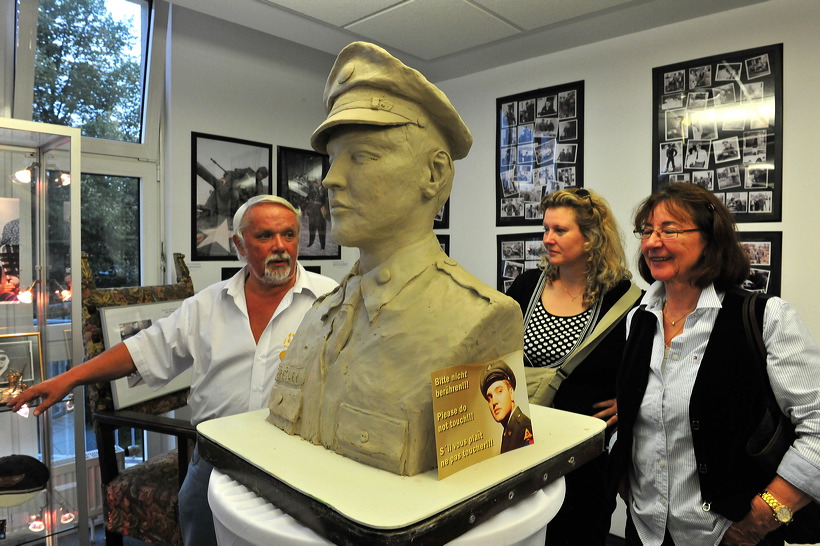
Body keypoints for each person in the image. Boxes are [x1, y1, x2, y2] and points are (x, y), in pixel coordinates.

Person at [8, 194, 338, 546]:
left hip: (293, 462)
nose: (280, 247)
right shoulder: (207, 305)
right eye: (264, 236)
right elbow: (141, 350)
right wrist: (68, 378)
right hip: (215, 459)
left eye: (288, 235)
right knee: (199, 527)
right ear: (238, 244)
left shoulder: (329, 300)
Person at [267, 41, 523, 477]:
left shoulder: (480, 320)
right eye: (332, 159)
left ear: (433, 174)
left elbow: (481, 481)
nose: (330, 179)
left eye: (362, 157)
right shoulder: (321, 315)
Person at [611, 182, 820, 545]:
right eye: (647, 230)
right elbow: (639, 417)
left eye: (669, 230)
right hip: (646, 531)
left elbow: (817, 427)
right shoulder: (638, 319)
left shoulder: (765, 317)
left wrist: (764, 515)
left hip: (729, 534)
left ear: (710, 239)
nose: (652, 242)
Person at [505, 187, 640, 545]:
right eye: (545, 229)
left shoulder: (623, 298)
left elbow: (645, 365)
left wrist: (628, 401)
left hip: (585, 457)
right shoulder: (525, 285)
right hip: (521, 441)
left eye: (559, 230)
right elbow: (495, 351)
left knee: (578, 534)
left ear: (592, 237)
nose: (547, 239)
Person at [480, 360, 534, 453]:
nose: (494, 402)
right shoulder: (509, 430)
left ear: (511, 392)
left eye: (499, 391)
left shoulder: (523, 428)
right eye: (490, 398)